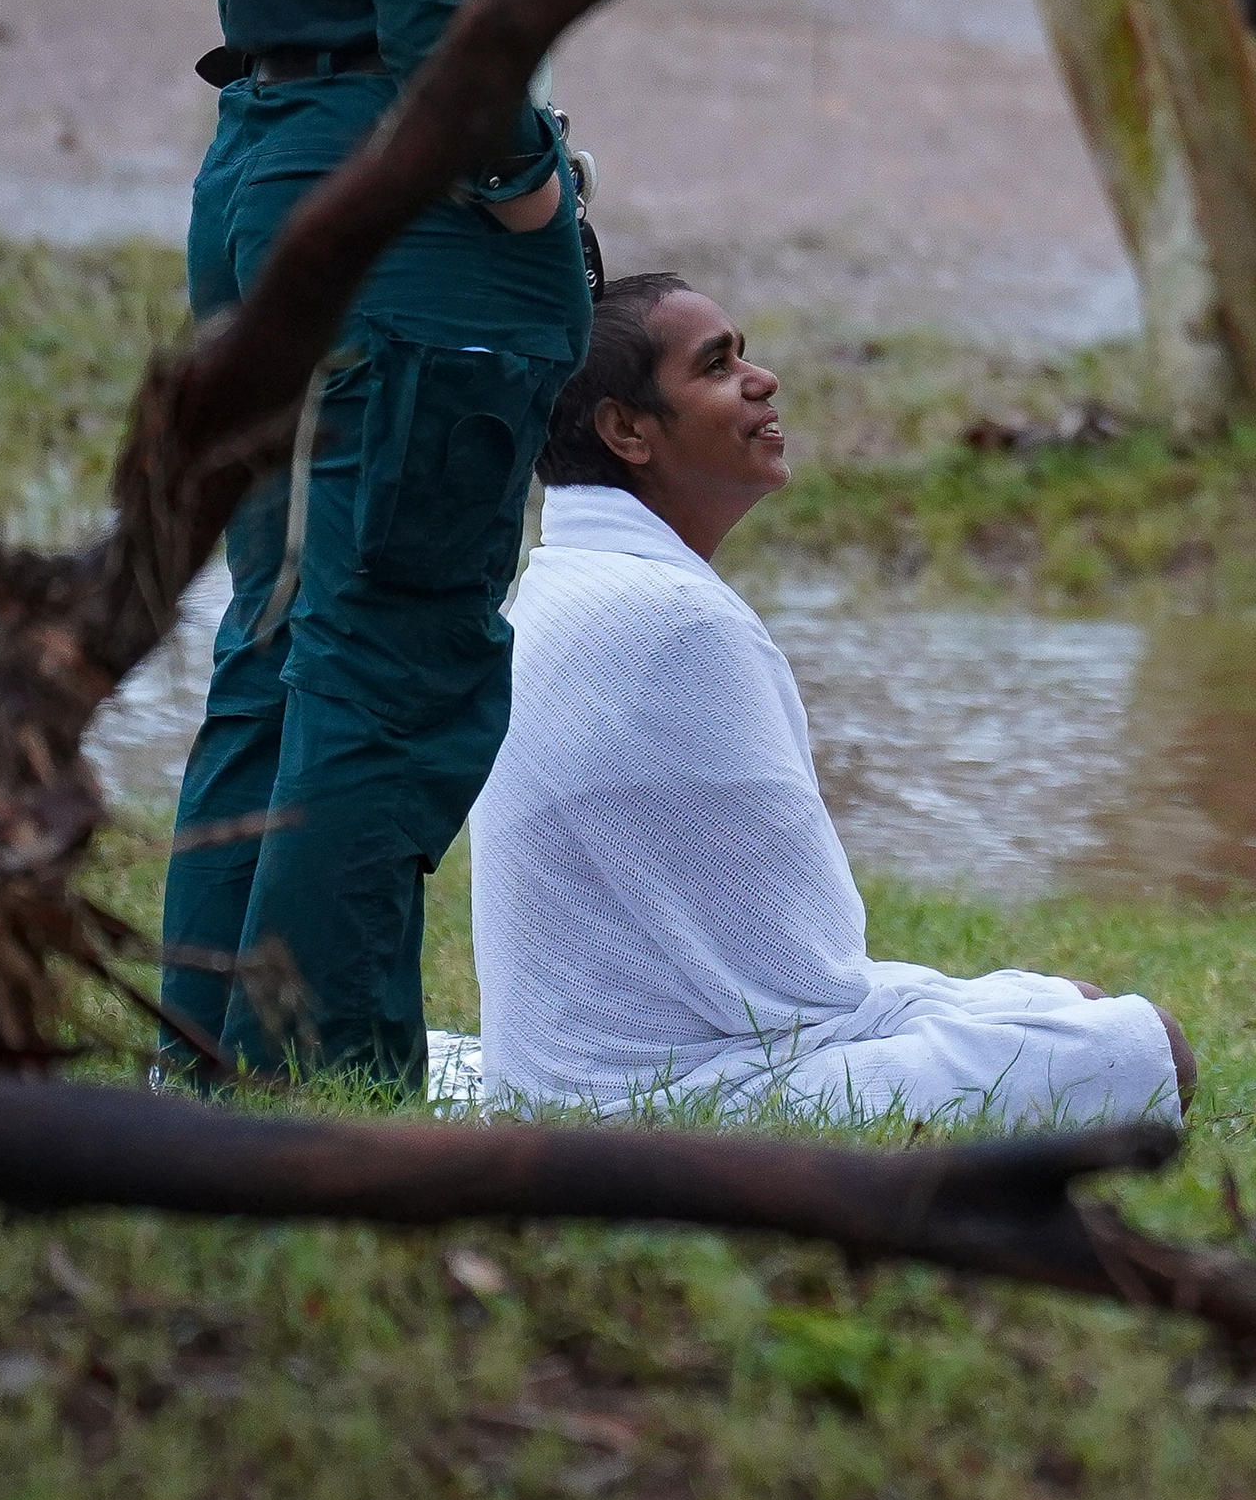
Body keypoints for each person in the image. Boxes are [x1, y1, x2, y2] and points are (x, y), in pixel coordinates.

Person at [159, 0, 594, 1087]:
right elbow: (446, 24)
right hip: (391, 225)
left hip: (259, 184)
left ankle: (203, 1058)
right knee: (388, 656)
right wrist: (521, 197)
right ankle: (336, 1075)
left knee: (270, 638)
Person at [466, 275, 1192, 1128]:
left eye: (744, 353)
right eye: (717, 366)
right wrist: (953, 1016)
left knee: (1069, 1000)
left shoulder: (563, 584)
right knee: (1151, 1051)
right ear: (628, 429)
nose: (761, 378)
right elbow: (800, 989)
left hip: (580, 1068)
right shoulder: (674, 620)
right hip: (651, 1100)